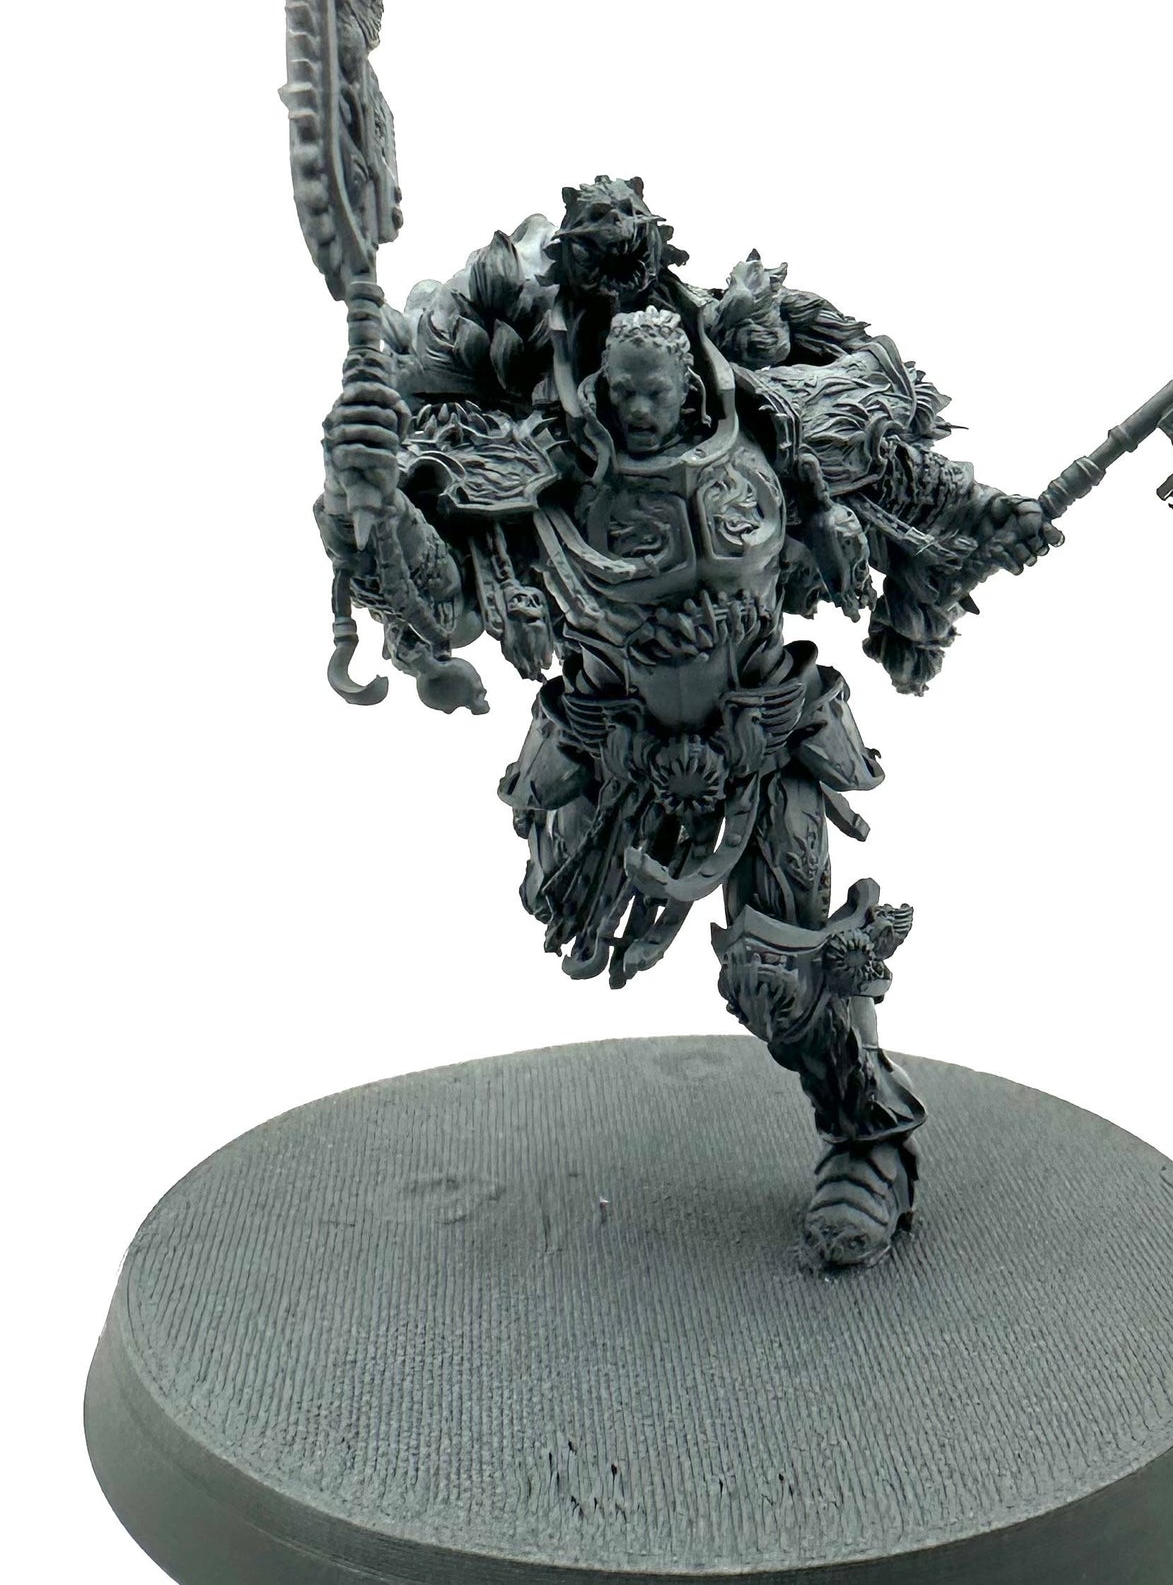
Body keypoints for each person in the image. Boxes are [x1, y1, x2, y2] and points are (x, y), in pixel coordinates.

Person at [318, 180, 1061, 1267]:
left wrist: (985, 514)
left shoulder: (771, 433)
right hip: (614, 747)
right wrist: (370, 501)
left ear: (688, 382)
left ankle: (867, 1141)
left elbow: (896, 471)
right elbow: (442, 603)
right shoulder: (533, 474)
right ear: (594, 384)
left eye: (657, 390)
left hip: (761, 734)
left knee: (780, 968)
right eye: (621, 391)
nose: (639, 410)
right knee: (563, 914)